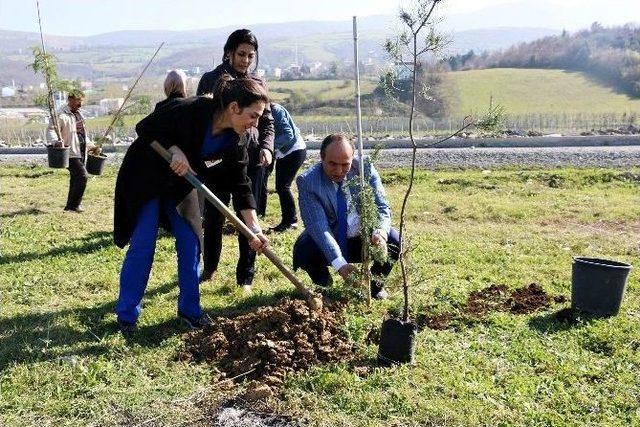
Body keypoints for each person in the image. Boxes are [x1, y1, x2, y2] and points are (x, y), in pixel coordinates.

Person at [113, 77, 270, 333]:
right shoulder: (191, 109)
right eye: (254, 116)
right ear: (233, 108)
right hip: (146, 176)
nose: (256, 123)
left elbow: (241, 185)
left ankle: (190, 311)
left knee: (191, 243)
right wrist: (175, 149)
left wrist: (254, 228)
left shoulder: (238, 141)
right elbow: (146, 127)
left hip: (183, 185)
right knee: (143, 245)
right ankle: (127, 317)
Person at [197, 29, 275, 288]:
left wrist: (266, 147)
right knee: (214, 215)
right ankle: (209, 269)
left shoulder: (258, 84)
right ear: (229, 52)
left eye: (251, 56)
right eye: (241, 54)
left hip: (251, 161)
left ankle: (245, 277)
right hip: (218, 161)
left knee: (247, 216)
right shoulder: (212, 80)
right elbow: (202, 120)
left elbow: (268, 122)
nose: (245, 60)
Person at [293, 133, 401, 300]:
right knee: (304, 248)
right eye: (332, 164)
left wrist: (380, 233)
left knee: (394, 240)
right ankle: (324, 286)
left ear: (353, 159)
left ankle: (374, 288)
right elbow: (319, 227)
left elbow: (381, 206)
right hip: (332, 239)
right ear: (322, 158)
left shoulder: (365, 169)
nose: (339, 171)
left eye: (345, 164)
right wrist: (340, 264)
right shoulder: (308, 181)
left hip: (364, 239)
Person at [47, 91, 97, 212]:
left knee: (75, 178)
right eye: (77, 101)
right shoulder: (60, 114)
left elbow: (82, 134)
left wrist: (92, 146)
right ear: (70, 100)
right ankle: (74, 206)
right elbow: (51, 130)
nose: (80, 104)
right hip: (69, 152)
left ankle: (70, 206)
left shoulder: (79, 115)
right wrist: (56, 141)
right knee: (82, 176)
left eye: (81, 101)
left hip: (81, 151)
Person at [265, 102, 307, 232]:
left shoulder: (275, 110)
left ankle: (291, 221)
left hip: (294, 150)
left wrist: (270, 147)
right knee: (281, 186)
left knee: (283, 186)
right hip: (284, 153)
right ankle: (288, 220)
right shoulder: (266, 112)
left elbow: (288, 134)